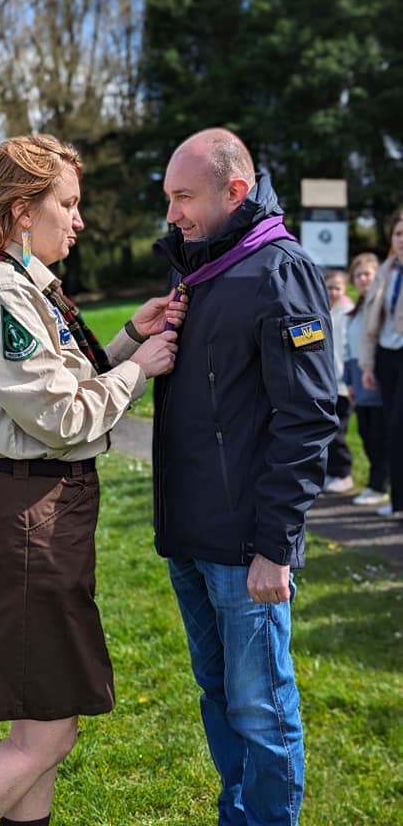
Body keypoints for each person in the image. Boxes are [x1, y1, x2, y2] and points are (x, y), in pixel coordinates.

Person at [0, 133, 186, 826]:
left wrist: (127, 337)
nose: (79, 219)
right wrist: (141, 366)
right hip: (27, 518)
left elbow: (66, 380)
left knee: (43, 728)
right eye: (67, 203)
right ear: (19, 210)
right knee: (46, 733)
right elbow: (62, 417)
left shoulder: (27, 287)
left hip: (42, 512)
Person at [152, 128, 338, 826]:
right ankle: (237, 814)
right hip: (191, 538)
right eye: (167, 198)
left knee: (261, 708)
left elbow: (309, 417)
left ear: (236, 193)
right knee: (219, 695)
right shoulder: (197, 267)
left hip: (245, 548)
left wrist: (275, 543)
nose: (171, 215)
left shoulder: (279, 270)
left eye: (183, 197)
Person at [360, 207, 403, 518]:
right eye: (399, 233)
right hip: (386, 357)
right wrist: (367, 366)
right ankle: (398, 500)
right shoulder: (385, 271)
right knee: (391, 428)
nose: (402, 240)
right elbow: (368, 325)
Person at [343, 253, 389, 507]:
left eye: (367, 274)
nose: (362, 279)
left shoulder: (382, 305)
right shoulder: (357, 309)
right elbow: (351, 348)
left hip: (378, 377)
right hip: (359, 378)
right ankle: (378, 482)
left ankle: (378, 485)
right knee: (366, 433)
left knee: (380, 435)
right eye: (358, 275)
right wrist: (349, 380)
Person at [323, 268, 354, 494]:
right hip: (326, 383)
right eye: (329, 287)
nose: (332, 292)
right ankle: (331, 472)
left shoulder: (348, 312)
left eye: (337, 288)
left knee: (339, 432)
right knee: (327, 432)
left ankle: (344, 473)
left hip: (343, 384)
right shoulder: (324, 309)